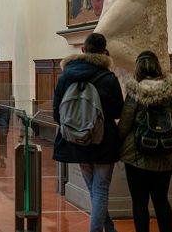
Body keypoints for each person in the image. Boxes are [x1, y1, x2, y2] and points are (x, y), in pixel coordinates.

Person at [52, 33, 123, 232]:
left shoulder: (66, 76)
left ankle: (108, 228)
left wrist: (75, 129)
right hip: (103, 141)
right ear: (104, 51)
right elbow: (118, 110)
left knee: (93, 188)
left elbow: (57, 112)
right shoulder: (108, 78)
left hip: (76, 140)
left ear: (83, 50)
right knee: (100, 189)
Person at [118, 51, 172, 232]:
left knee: (139, 203)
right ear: (157, 67)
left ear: (137, 69)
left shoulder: (135, 92)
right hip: (165, 155)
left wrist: (117, 144)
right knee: (161, 200)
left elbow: (125, 123)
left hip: (138, 156)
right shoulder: (171, 92)